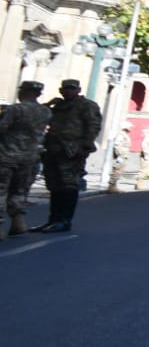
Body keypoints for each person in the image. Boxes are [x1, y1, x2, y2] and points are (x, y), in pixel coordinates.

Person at [37, 79, 102, 233]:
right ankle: (53, 219)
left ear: (79, 90)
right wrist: (48, 104)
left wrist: (85, 146)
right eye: (66, 89)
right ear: (61, 90)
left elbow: (93, 126)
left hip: (72, 151)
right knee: (54, 186)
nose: (69, 91)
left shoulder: (87, 105)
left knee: (68, 185)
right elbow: (38, 115)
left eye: (72, 89)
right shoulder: (58, 106)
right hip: (53, 150)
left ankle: (64, 220)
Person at [0, 81, 52, 237]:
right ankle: (18, 221)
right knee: (19, 190)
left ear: (23, 92)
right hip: (30, 158)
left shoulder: (16, 109)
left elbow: (2, 128)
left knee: (1, 189)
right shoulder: (45, 111)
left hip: (7, 156)